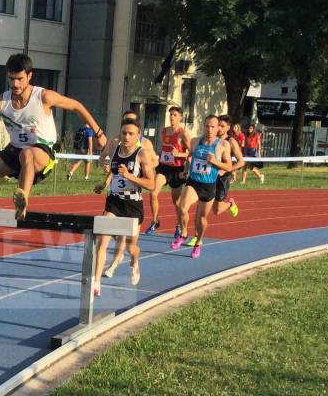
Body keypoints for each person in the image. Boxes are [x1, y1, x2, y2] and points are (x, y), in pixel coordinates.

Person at [0, 53, 105, 220]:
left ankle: (21, 204)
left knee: (28, 154)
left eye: (19, 79)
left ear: (29, 76)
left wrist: (99, 133)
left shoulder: (43, 97)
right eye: (11, 79)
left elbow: (77, 106)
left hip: (43, 152)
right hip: (15, 151)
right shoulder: (0, 102)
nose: (15, 84)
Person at [92, 118, 156, 295]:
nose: (126, 137)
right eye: (124, 133)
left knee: (130, 247)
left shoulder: (142, 154)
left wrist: (130, 176)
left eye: (131, 134)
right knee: (101, 240)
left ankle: (134, 262)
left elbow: (151, 184)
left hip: (132, 204)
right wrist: (104, 184)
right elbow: (113, 172)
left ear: (137, 136)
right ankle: (96, 283)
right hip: (114, 202)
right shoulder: (115, 150)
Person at [170, 114, 233, 257]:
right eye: (207, 126)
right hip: (194, 181)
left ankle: (198, 241)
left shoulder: (223, 145)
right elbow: (190, 156)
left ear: (218, 128)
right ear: (203, 126)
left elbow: (229, 166)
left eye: (213, 127)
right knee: (181, 206)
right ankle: (184, 232)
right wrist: (186, 170)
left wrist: (215, 162)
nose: (209, 129)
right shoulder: (195, 141)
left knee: (201, 218)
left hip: (209, 185)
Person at [147, 106, 191, 236]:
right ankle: (155, 221)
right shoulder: (164, 131)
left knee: (176, 202)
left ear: (180, 117)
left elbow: (191, 153)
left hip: (177, 170)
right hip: (164, 167)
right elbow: (164, 148)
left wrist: (179, 154)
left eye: (175, 115)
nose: (172, 117)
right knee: (153, 192)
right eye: (170, 114)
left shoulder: (183, 133)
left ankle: (178, 225)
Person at [213, 115, 246, 219]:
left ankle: (230, 204)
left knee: (217, 210)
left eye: (222, 126)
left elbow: (241, 162)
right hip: (210, 175)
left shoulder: (231, 142)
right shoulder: (212, 139)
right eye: (218, 125)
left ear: (228, 127)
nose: (219, 128)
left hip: (223, 178)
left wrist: (225, 170)